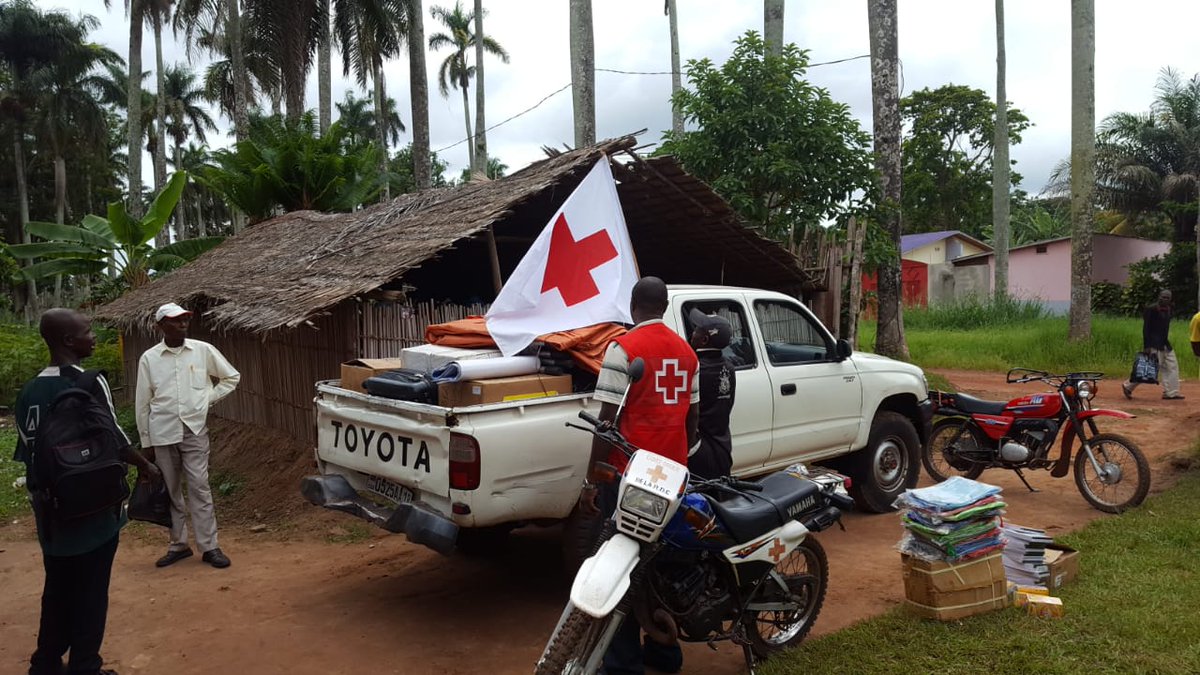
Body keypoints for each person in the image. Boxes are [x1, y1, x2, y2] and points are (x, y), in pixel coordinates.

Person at [14, 308, 161, 675]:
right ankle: (85, 665)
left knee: (58, 588)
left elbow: (28, 452)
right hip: (92, 506)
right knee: (92, 591)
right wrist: (145, 466)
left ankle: (45, 663)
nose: (93, 337)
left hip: (50, 511)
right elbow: (114, 438)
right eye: (88, 331)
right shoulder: (89, 382)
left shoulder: (29, 390)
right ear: (68, 340)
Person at [579, 276, 698, 675]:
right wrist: (679, 458)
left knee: (619, 567)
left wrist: (592, 480)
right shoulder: (688, 353)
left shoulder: (623, 348)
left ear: (633, 306)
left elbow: (606, 422)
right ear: (663, 306)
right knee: (662, 565)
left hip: (629, 479)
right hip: (673, 480)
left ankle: (622, 664)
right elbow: (693, 418)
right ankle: (665, 653)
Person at [136, 302, 241, 569]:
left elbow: (231, 377)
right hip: (162, 432)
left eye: (185, 319)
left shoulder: (202, 350)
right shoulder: (149, 358)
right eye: (175, 320)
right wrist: (146, 441)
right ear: (160, 326)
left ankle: (210, 546)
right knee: (171, 490)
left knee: (199, 486)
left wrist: (207, 399)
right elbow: (143, 403)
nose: (182, 324)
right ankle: (178, 545)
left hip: (194, 429)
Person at [687, 308, 737, 480]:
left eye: (696, 330)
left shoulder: (697, 369)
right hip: (723, 447)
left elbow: (691, 413)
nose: (692, 333)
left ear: (704, 340)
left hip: (699, 451)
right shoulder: (729, 367)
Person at [1122, 289, 1183, 400]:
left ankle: (1171, 392)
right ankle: (1128, 386)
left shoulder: (1169, 309)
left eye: (1167, 298)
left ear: (1170, 299)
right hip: (1154, 344)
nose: (1165, 299)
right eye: (1163, 297)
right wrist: (1147, 346)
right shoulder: (1151, 309)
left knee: (1172, 366)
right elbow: (1146, 328)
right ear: (1159, 297)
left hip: (1165, 343)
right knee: (1149, 368)